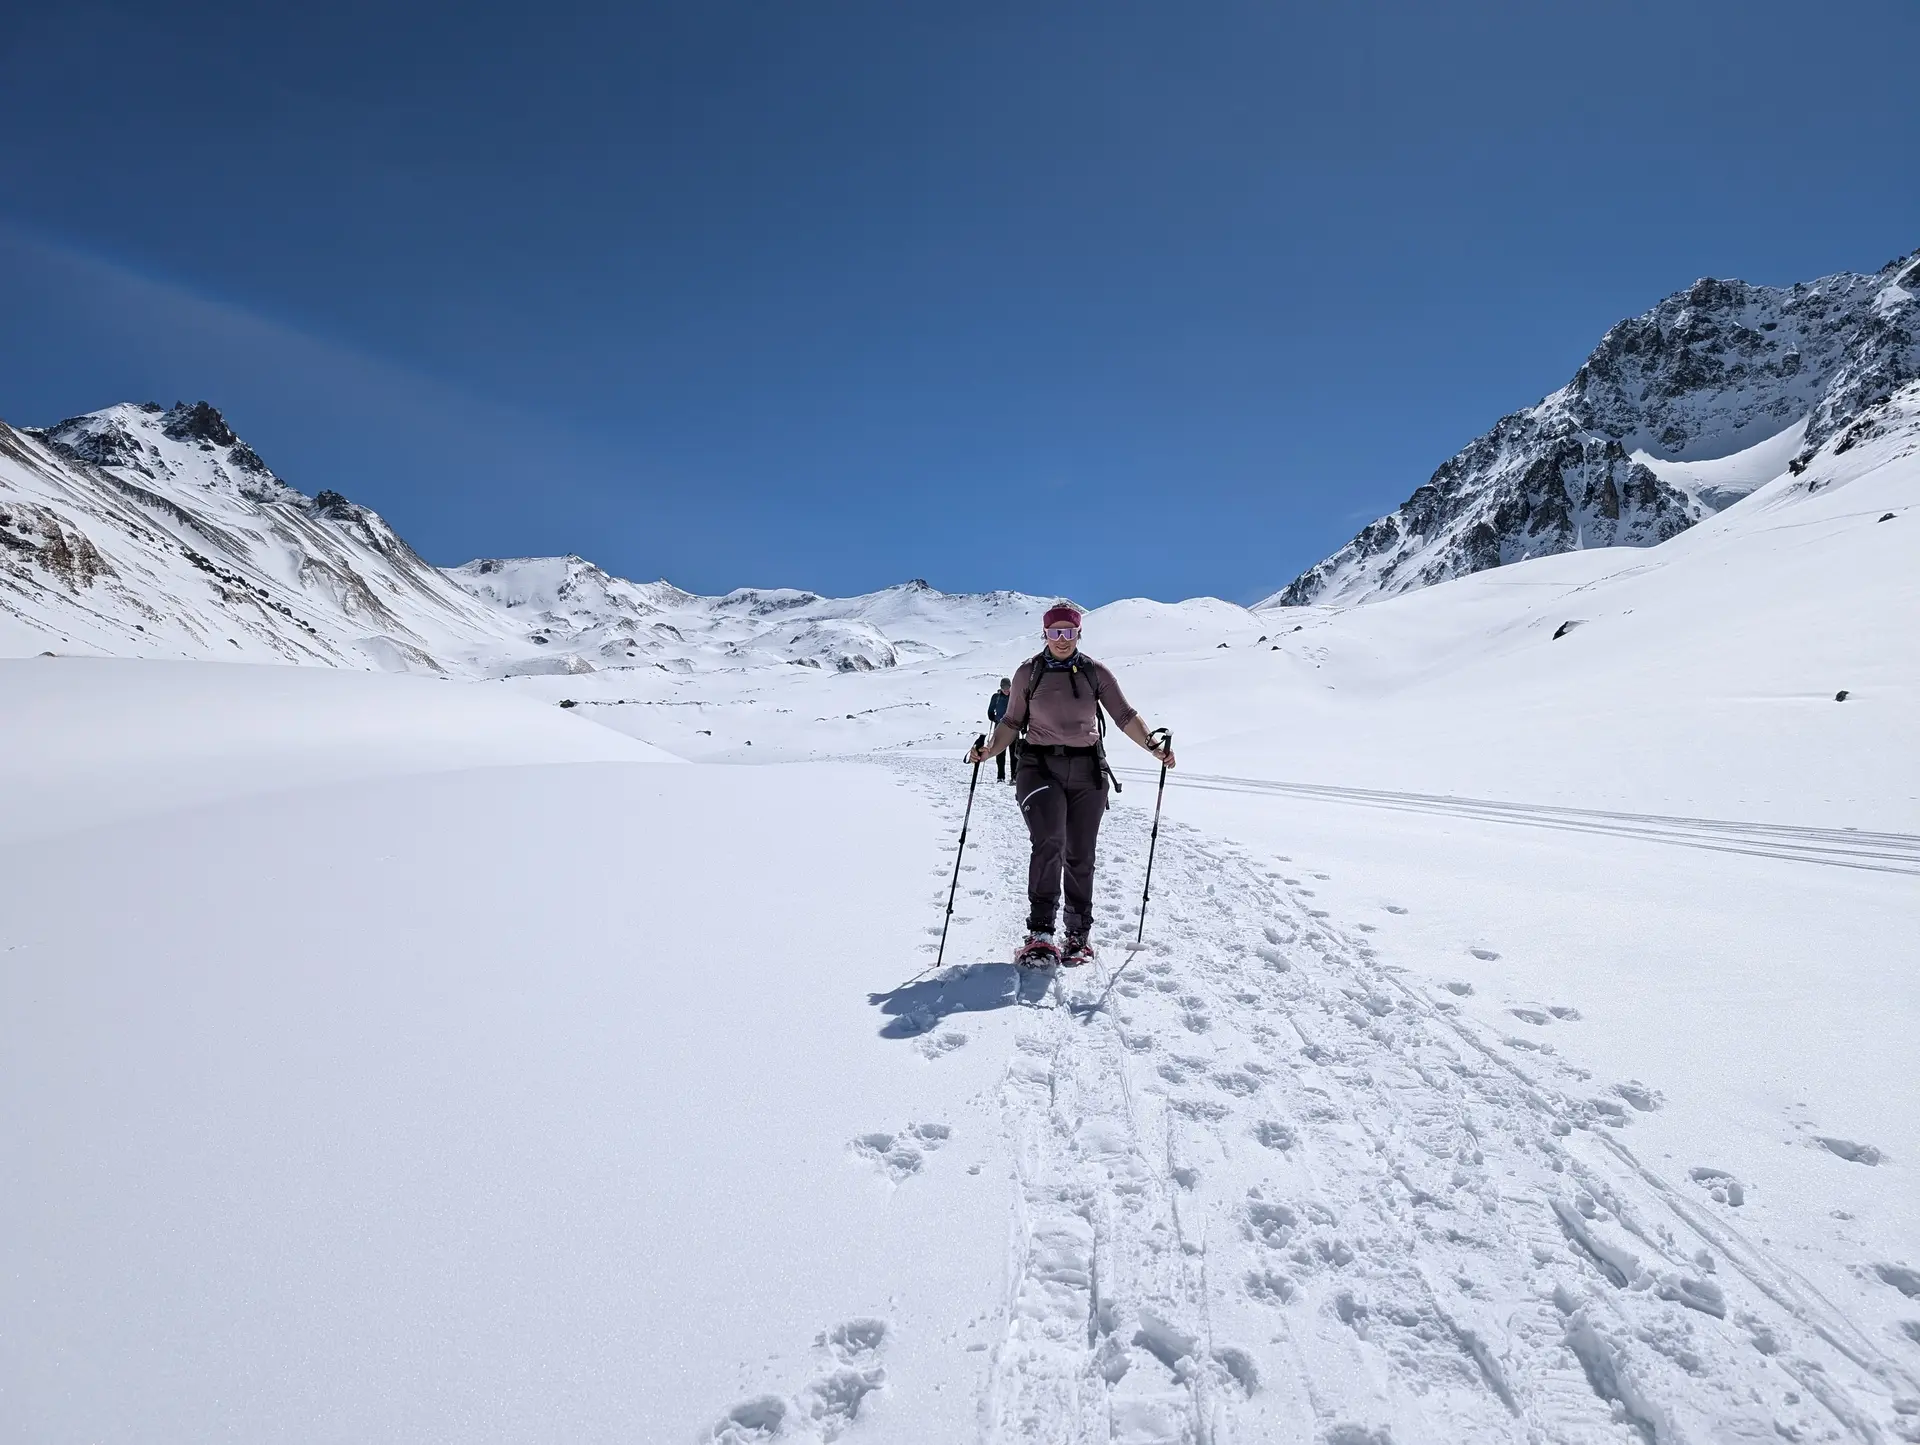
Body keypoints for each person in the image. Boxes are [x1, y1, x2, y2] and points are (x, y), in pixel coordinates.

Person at [966, 603, 1176, 966]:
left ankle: (1077, 935)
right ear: (1044, 634)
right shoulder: (1027, 674)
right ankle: (1040, 933)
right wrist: (988, 751)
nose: (1061, 639)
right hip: (1037, 766)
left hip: (1088, 771)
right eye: (1054, 632)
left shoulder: (1095, 673)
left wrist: (1153, 746)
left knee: (1080, 853)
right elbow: (1012, 722)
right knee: (1049, 840)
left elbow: (1124, 715)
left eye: (1068, 632)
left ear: (1079, 633)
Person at [986, 678, 1016, 782]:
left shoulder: (1015, 696)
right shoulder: (996, 697)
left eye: (1008, 687)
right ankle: (1000, 777)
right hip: (1000, 728)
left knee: (1014, 753)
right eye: (1004, 688)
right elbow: (990, 711)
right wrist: (994, 718)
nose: (1006, 690)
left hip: (1013, 728)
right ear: (1001, 687)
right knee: (1000, 753)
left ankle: (1014, 777)